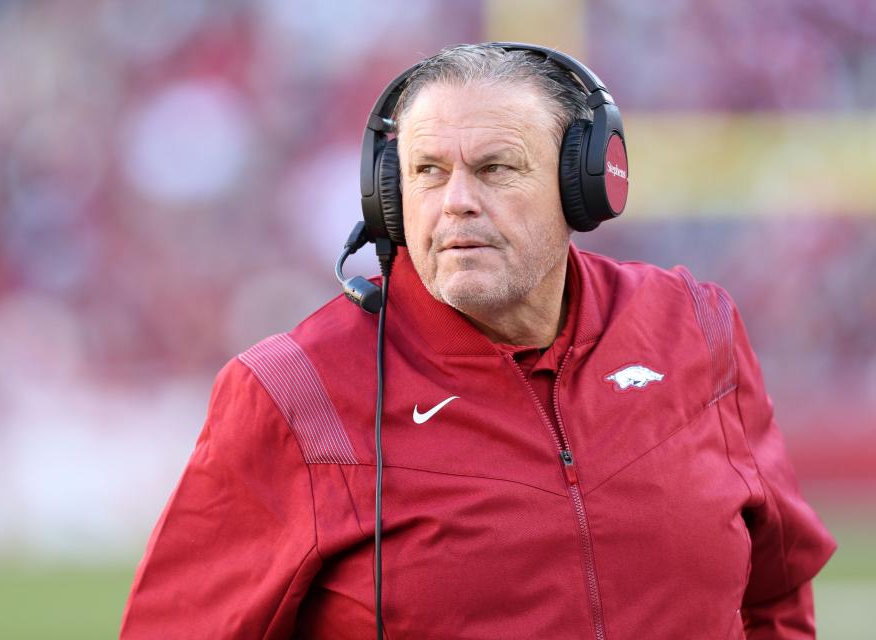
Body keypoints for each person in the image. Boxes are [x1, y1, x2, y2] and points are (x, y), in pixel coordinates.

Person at [120, 43, 836, 639]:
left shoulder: (693, 326)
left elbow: (775, 599)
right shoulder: (293, 391)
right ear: (390, 197)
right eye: (428, 172)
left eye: (496, 168)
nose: (457, 199)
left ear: (584, 185)